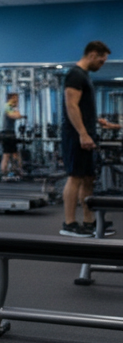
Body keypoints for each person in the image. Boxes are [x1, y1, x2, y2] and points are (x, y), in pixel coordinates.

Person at [60, 41, 121, 237]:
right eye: (101, 61)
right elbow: (71, 106)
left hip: (85, 132)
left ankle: (89, 221)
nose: (102, 64)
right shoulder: (75, 75)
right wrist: (83, 133)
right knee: (75, 176)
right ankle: (69, 224)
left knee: (88, 178)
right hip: (76, 135)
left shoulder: (84, 76)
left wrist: (96, 122)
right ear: (93, 55)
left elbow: (81, 108)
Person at [0, 92, 23, 178]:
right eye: (16, 98)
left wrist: (18, 114)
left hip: (11, 132)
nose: (17, 100)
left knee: (15, 153)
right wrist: (18, 114)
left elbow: (18, 115)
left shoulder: (11, 107)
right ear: (11, 98)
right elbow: (14, 116)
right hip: (7, 133)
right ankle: (4, 173)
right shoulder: (8, 106)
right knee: (7, 154)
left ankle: (16, 171)